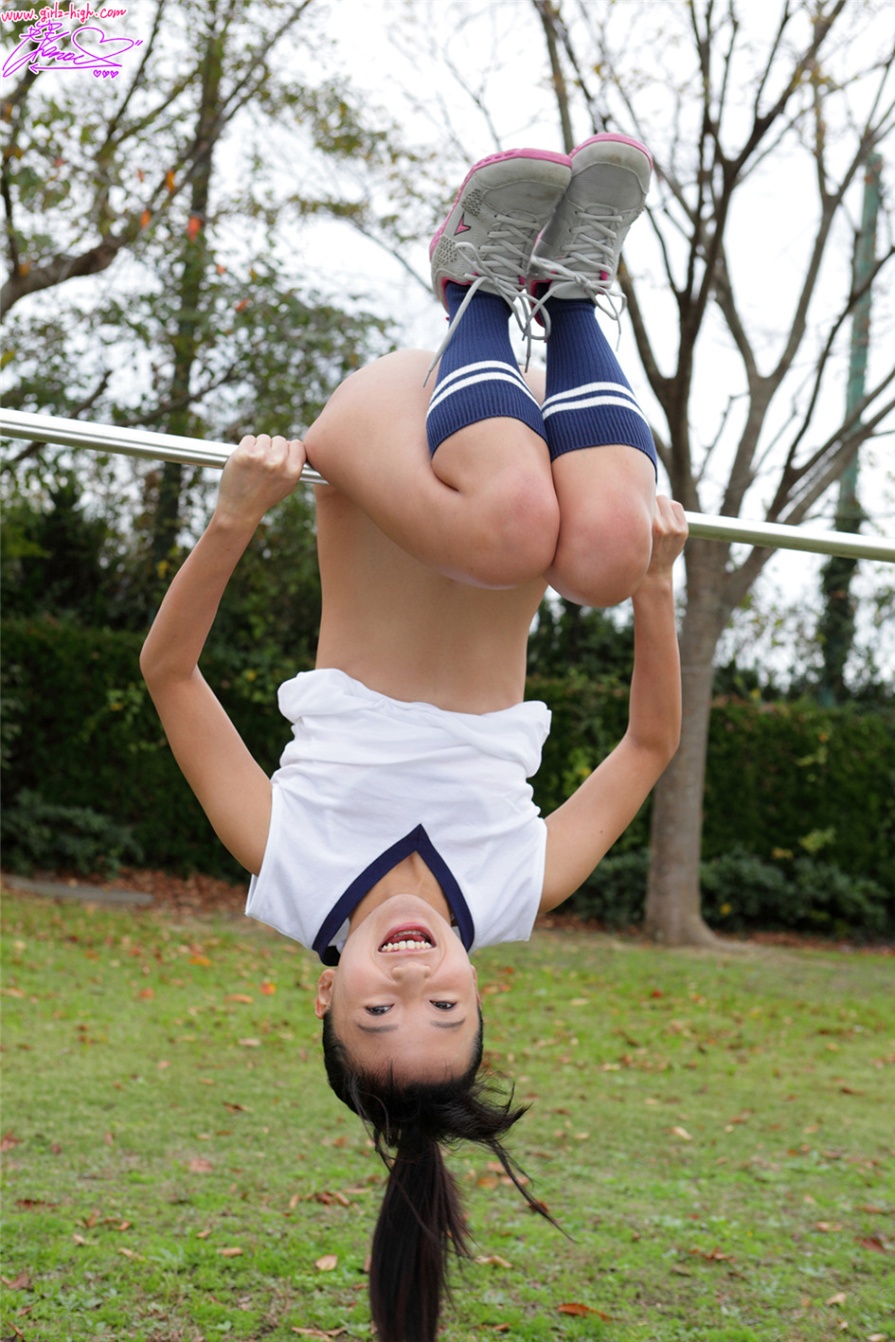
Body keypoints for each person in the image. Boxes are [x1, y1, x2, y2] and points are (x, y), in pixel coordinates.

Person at [140, 133, 688, 1342]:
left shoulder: (290, 868)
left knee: (506, 532)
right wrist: (655, 585)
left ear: (326, 993)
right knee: (593, 554)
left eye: (377, 1015)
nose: (411, 983)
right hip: (504, 454)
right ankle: (572, 297)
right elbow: (646, 746)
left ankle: (474, 288)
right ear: (475, 987)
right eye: (444, 1011)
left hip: (387, 437)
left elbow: (167, 672)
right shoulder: (507, 889)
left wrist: (234, 520)